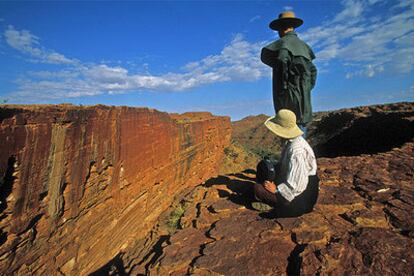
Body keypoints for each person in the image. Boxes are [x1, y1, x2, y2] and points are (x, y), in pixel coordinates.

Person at [261, 11, 317, 136]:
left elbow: (281, 62)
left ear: (281, 28)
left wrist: (284, 90)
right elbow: (313, 71)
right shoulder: (304, 47)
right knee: (301, 135)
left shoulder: (284, 46)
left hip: (289, 102)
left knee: (290, 136)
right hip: (305, 103)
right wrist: (305, 88)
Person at [252, 109, 318, 216]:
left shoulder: (296, 151)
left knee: (257, 189)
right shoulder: (294, 141)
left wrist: (276, 190)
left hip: (300, 200)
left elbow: (298, 186)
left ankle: (278, 206)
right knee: (265, 171)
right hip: (304, 189)